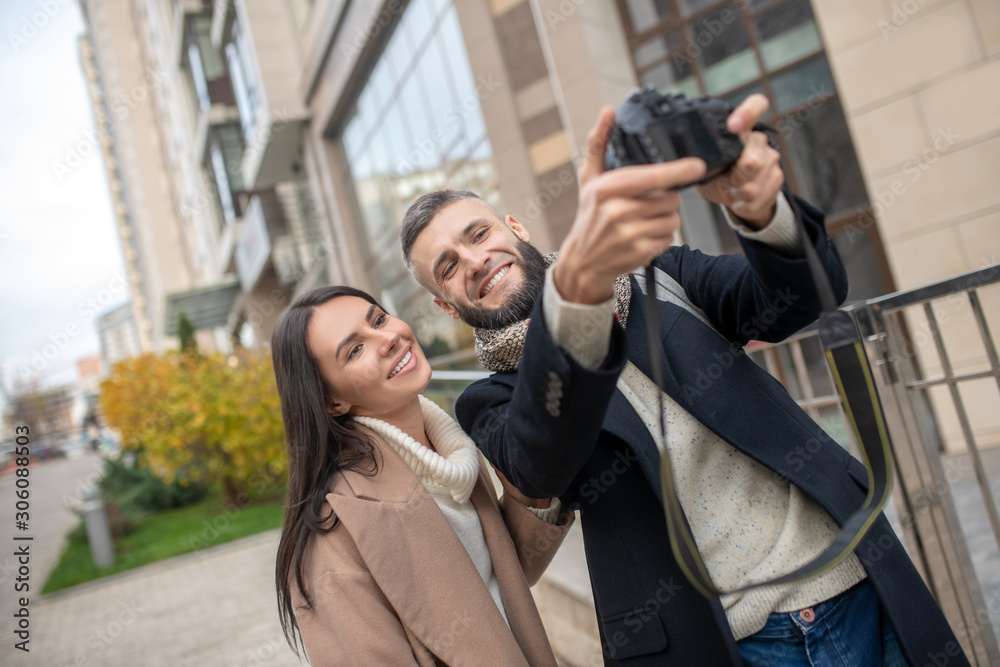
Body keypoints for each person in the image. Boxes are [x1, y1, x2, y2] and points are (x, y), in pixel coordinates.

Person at [399, 94, 968, 666]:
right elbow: (540, 458)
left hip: (852, 575)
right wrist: (580, 288)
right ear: (447, 306)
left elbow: (800, 298)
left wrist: (762, 211)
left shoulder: (662, 276)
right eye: (447, 266)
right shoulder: (487, 401)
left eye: (477, 234)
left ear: (515, 227)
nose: (472, 261)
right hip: (731, 642)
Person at [271, 286, 573, 666]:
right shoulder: (337, 525)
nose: (388, 339)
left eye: (378, 319)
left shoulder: (452, 454)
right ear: (332, 401)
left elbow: (491, 582)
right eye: (355, 350)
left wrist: (528, 494)